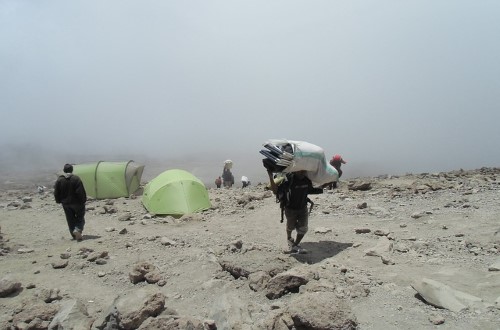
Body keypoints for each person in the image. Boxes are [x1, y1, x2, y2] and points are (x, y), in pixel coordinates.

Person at [267, 169, 323, 254]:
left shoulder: (306, 179)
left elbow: (311, 190)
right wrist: (270, 176)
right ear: (295, 170)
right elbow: (275, 190)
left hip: (303, 208)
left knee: (303, 228)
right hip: (290, 208)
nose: (302, 173)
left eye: (304, 171)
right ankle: (289, 238)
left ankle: (295, 244)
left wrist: (325, 185)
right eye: (300, 171)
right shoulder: (287, 179)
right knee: (290, 226)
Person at [54, 164, 87, 241]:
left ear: (64, 170)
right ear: (72, 170)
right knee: (80, 217)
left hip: (66, 204)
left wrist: (58, 201)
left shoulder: (60, 180)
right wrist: (83, 200)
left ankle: (74, 235)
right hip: (77, 203)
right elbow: (80, 192)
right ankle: (78, 229)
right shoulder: (76, 179)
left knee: (70, 219)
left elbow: (56, 192)